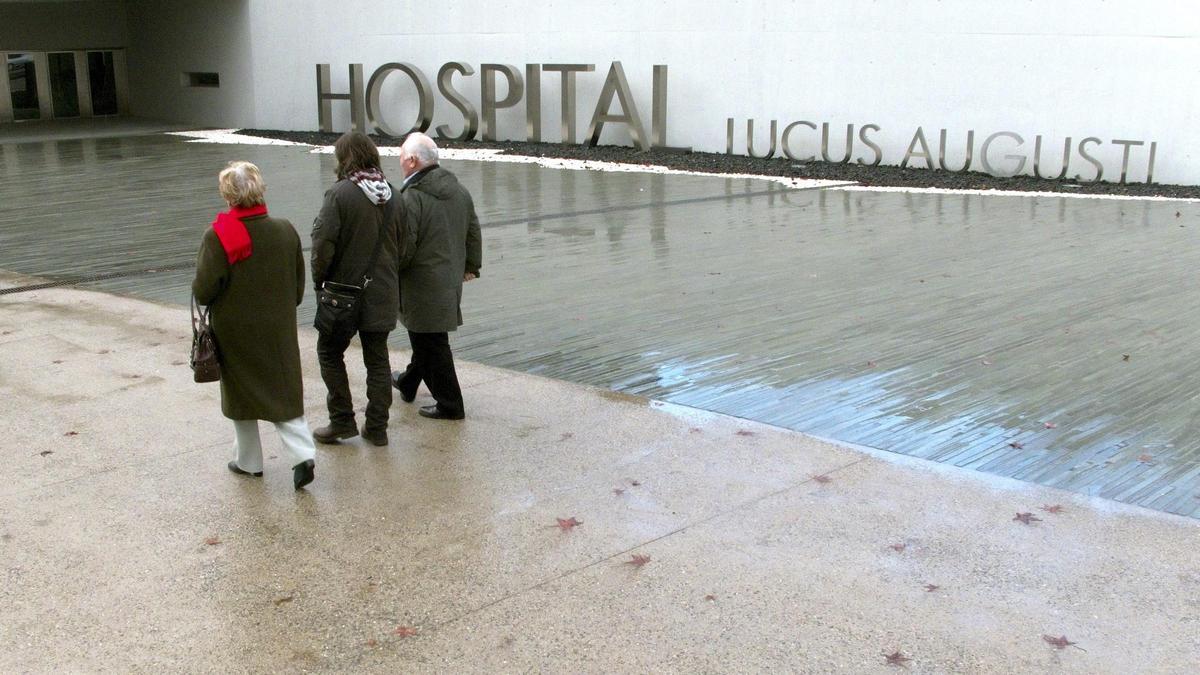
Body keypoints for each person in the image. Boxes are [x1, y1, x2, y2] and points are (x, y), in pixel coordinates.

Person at [192, 161, 316, 490]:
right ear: (260, 190)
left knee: (241, 396)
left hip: (235, 331)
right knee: (283, 392)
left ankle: (249, 462)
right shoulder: (285, 230)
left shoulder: (218, 235)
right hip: (278, 329)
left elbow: (204, 291)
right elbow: (298, 287)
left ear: (228, 195)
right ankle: (303, 454)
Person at [310, 132, 402, 445]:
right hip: (384, 290)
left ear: (344, 158)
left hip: (342, 293)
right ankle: (377, 428)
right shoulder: (394, 194)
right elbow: (407, 243)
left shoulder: (339, 194)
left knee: (329, 352)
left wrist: (318, 282)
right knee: (377, 359)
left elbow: (323, 244)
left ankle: (341, 421)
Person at [391, 132, 482, 420]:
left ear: (413, 160)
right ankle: (407, 383)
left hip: (420, 284)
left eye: (402, 158)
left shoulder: (412, 198)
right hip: (449, 280)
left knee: (429, 343)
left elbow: (405, 247)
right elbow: (473, 231)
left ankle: (450, 404)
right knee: (428, 336)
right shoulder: (459, 191)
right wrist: (471, 266)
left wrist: (390, 269)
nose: (400, 163)